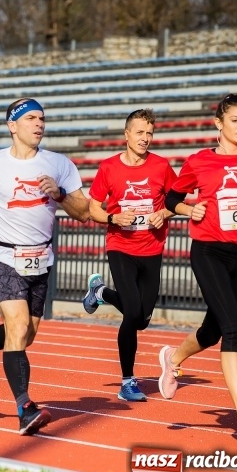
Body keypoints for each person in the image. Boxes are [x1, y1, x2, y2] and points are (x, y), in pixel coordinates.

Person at [160, 94, 237, 444]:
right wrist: (190, 210)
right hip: (209, 251)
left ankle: (172, 357)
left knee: (213, 330)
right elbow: (171, 199)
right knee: (233, 329)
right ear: (219, 123)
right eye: (235, 120)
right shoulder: (199, 161)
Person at [0, 98, 90, 435]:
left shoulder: (59, 163)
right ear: (12, 125)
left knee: (26, 335)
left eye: (42, 118)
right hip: (4, 257)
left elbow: (84, 212)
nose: (39, 124)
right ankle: (25, 408)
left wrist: (60, 194)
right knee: (17, 326)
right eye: (31, 118)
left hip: (41, 259)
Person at [81, 109, 176, 402]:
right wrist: (114, 218)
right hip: (121, 246)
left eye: (149, 133)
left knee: (142, 319)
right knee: (132, 312)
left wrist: (163, 213)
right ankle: (127, 382)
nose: (145, 138)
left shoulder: (161, 166)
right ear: (126, 134)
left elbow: (177, 201)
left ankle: (100, 292)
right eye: (139, 132)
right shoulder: (109, 167)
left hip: (152, 248)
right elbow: (93, 208)